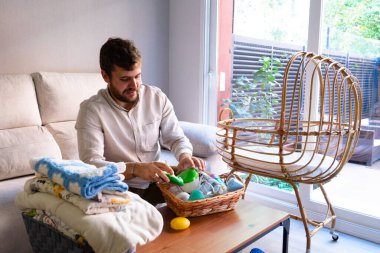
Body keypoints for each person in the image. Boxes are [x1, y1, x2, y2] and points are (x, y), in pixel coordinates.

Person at [75, 37, 205, 205]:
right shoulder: (91, 110)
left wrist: (185, 156)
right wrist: (136, 169)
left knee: (203, 197)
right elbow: (92, 165)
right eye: (125, 79)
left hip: (157, 182)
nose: (134, 85)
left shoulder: (156, 98)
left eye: (137, 76)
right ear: (105, 76)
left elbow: (176, 138)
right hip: (119, 188)